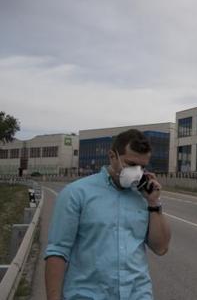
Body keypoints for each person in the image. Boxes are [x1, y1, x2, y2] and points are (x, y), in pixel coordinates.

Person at [45, 129, 171, 300]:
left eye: (142, 167)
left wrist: (154, 204)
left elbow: (161, 248)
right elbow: (57, 252)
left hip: (138, 294)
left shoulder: (144, 197)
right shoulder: (77, 193)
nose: (137, 172)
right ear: (112, 156)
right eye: (131, 164)